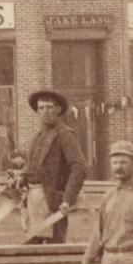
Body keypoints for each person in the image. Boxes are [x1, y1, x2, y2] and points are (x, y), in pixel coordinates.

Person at [23, 89, 87, 243]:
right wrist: (22, 177)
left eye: (49, 107)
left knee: (56, 247)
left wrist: (67, 199)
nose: (45, 112)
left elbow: (79, 167)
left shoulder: (65, 135)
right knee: (31, 246)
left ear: (58, 110)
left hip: (54, 202)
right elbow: (31, 167)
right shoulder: (37, 137)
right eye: (41, 108)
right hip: (34, 201)